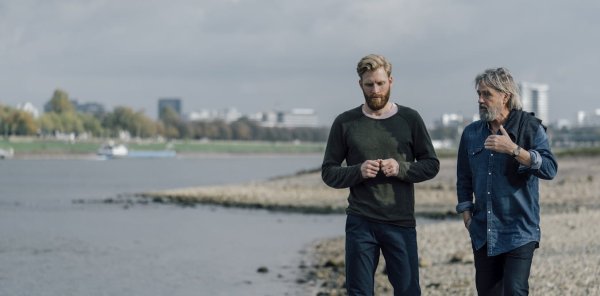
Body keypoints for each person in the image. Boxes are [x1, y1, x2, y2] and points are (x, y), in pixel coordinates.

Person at [321, 54, 440, 295]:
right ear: (360, 85)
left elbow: (431, 164)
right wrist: (358, 171)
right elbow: (329, 172)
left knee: (408, 291)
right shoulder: (345, 122)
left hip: (400, 222)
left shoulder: (410, 119)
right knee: (359, 292)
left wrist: (401, 168)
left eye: (380, 83)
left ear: (391, 81)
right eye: (369, 84)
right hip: (360, 222)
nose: (375, 90)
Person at [456, 67, 558, 295]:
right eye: (479, 94)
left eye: (486, 94)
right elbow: (463, 178)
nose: (480, 100)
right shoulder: (471, 134)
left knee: (515, 291)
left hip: (520, 230)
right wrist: (466, 215)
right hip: (483, 230)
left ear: (505, 96)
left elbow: (550, 169)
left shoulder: (531, 128)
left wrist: (513, 150)